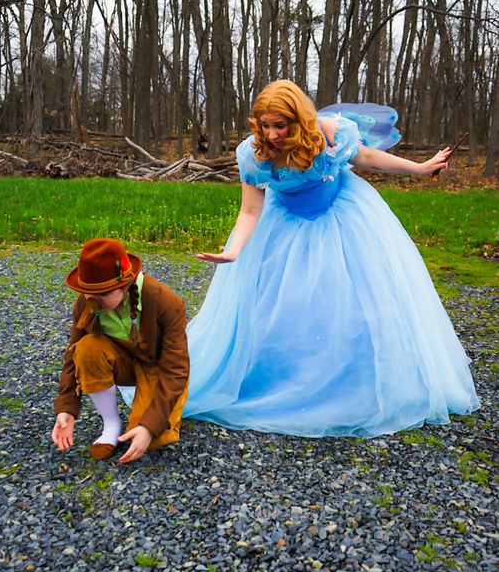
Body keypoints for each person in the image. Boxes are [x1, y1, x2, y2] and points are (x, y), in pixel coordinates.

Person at [183, 79, 479, 438]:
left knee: (351, 297)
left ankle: (356, 378)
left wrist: (419, 168)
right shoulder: (254, 153)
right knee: (285, 302)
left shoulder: (330, 132)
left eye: (280, 125)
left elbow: (366, 157)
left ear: (298, 119)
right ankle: (286, 376)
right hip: (285, 222)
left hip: (343, 214)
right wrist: (233, 251)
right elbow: (249, 211)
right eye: (265, 125)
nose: (272, 134)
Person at [51, 238, 189, 462]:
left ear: (126, 284)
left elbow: (176, 370)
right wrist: (66, 408)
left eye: (103, 295)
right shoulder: (85, 305)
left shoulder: (167, 302)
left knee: (152, 437)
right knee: (85, 348)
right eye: (88, 294)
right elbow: (72, 356)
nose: (93, 303)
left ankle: (156, 413)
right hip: (121, 363)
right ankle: (111, 423)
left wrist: (149, 427)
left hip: (157, 368)